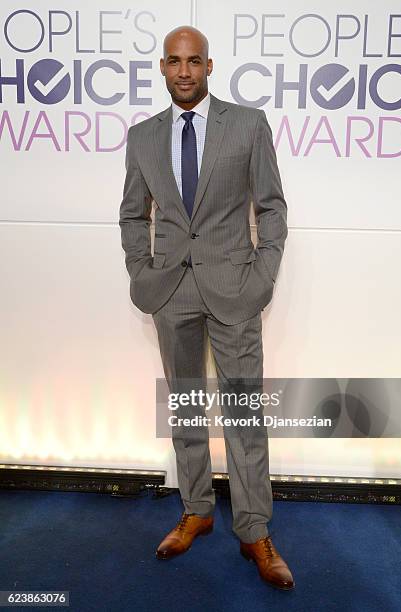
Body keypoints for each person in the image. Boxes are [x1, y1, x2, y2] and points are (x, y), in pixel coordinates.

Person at [119, 25, 294, 590]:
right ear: (163, 68)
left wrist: (262, 274)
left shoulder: (246, 124)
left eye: (194, 61)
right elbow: (131, 215)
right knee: (188, 409)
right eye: (174, 61)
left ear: (210, 66)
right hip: (171, 292)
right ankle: (196, 509)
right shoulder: (143, 136)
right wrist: (141, 270)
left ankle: (254, 530)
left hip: (235, 289)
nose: (185, 72)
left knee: (244, 416)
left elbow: (270, 207)